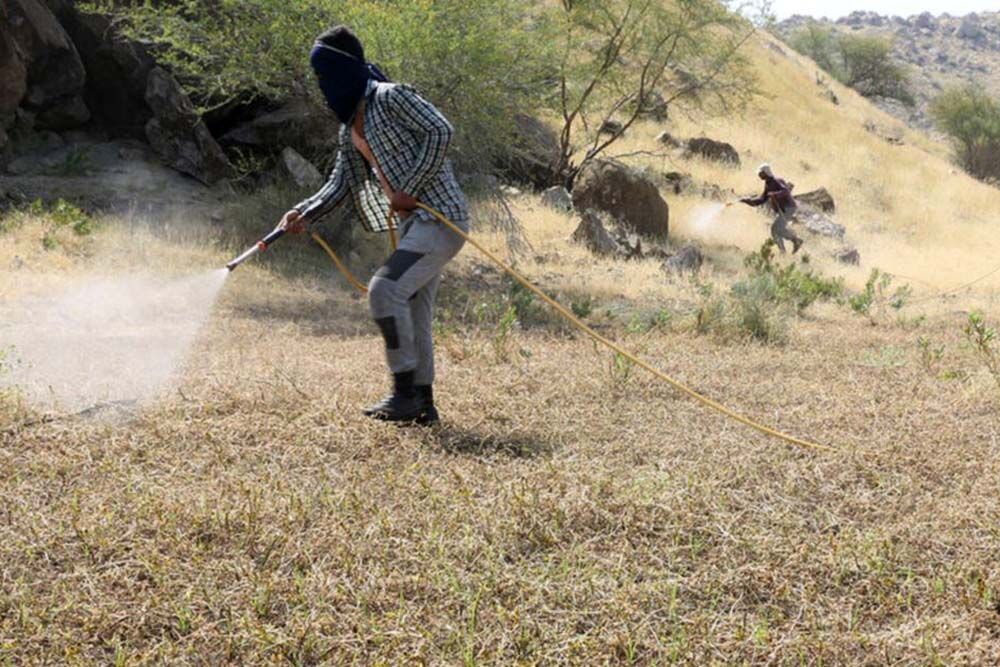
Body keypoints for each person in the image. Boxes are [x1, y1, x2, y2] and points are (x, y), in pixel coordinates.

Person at [277, 25, 468, 424]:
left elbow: (441, 130)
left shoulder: (391, 96)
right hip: (416, 226)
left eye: (325, 74)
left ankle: (403, 394)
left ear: (345, 70)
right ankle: (423, 403)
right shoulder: (350, 129)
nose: (323, 85)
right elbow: (341, 184)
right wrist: (302, 213)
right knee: (413, 309)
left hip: (440, 219)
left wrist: (409, 188)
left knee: (385, 289)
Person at [739, 164, 804, 254]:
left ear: (766, 172)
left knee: (775, 229)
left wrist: (774, 194)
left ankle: (787, 247)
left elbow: (785, 191)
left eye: (761, 173)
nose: (759, 175)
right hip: (783, 210)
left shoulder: (777, 181)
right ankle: (793, 242)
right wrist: (748, 201)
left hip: (789, 208)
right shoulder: (768, 184)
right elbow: (762, 199)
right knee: (777, 230)